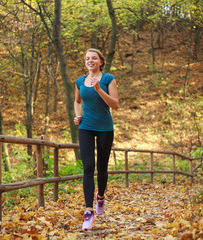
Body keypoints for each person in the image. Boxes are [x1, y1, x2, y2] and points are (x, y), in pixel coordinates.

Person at [73, 48, 119, 231]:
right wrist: (78, 116)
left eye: (94, 58)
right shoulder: (80, 81)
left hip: (105, 129)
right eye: (87, 58)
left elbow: (115, 105)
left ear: (101, 61)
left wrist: (99, 89)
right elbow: (77, 101)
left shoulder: (109, 79)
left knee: (102, 167)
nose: (90, 61)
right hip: (85, 127)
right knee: (88, 167)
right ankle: (88, 211)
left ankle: (100, 196)